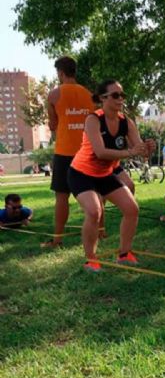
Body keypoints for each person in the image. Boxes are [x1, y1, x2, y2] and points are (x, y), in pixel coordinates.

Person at [68, 79, 155, 273]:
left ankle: (124, 254)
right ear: (102, 98)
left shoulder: (126, 122)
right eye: (115, 95)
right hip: (81, 174)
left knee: (132, 209)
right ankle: (90, 260)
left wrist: (147, 149)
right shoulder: (93, 119)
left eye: (122, 95)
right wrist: (130, 152)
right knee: (94, 211)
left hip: (104, 174)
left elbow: (139, 150)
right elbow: (100, 152)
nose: (121, 99)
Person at [42, 56, 95, 249]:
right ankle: (100, 231)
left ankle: (57, 239)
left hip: (64, 152)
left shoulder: (54, 95)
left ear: (61, 73)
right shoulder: (89, 95)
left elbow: (53, 124)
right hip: (87, 151)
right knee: (93, 193)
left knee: (61, 196)